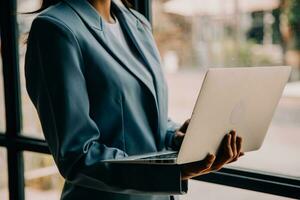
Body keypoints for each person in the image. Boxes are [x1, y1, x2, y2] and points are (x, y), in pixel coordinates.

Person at [24, 0, 244, 199]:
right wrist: (173, 172)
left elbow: (144, 118)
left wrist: (176, 136)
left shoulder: (136, 22)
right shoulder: (55, 28)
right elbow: (77, 155)